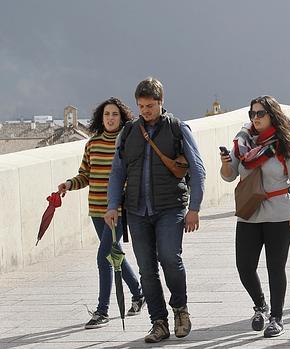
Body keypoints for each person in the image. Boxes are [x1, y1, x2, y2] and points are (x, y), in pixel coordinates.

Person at [104, 77, 206, 343]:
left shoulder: (176, 128)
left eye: (150, 105)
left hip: (170, 207)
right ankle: (158, 323)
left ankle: (180, 311)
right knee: (146, 269)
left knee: (170, 258)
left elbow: (197, 170)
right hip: (137, 211)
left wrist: (194, 208)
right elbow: (117, 172)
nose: (145, 111)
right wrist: (113, 205)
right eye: (141, 106)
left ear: (161, 102)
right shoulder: (129, 132)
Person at [220, 96, 290, 338]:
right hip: (249, 213)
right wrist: (226, 164)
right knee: (244, 267)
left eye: (260, 113)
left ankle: (277, 318)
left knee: (275, 267)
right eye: (252, 114)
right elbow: (229, 176)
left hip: (280, 214)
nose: (255, 118)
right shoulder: (243, 143)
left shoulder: (284, 143)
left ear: (272, 114)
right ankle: (261, 305)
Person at [58, 97, 144, 329]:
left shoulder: (127, 142)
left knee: (104, 256)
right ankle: (139, 293)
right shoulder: (92, 143)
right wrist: (68, 184)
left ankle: (102, 311)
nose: (110, 118)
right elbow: (85, 175)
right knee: (114, 253)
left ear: (122, 117)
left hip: (116, 211)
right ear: (100, 117)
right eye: (107, 114)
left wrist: (118, 204)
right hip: (96, 210)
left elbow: (130, 177)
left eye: (115, 114)